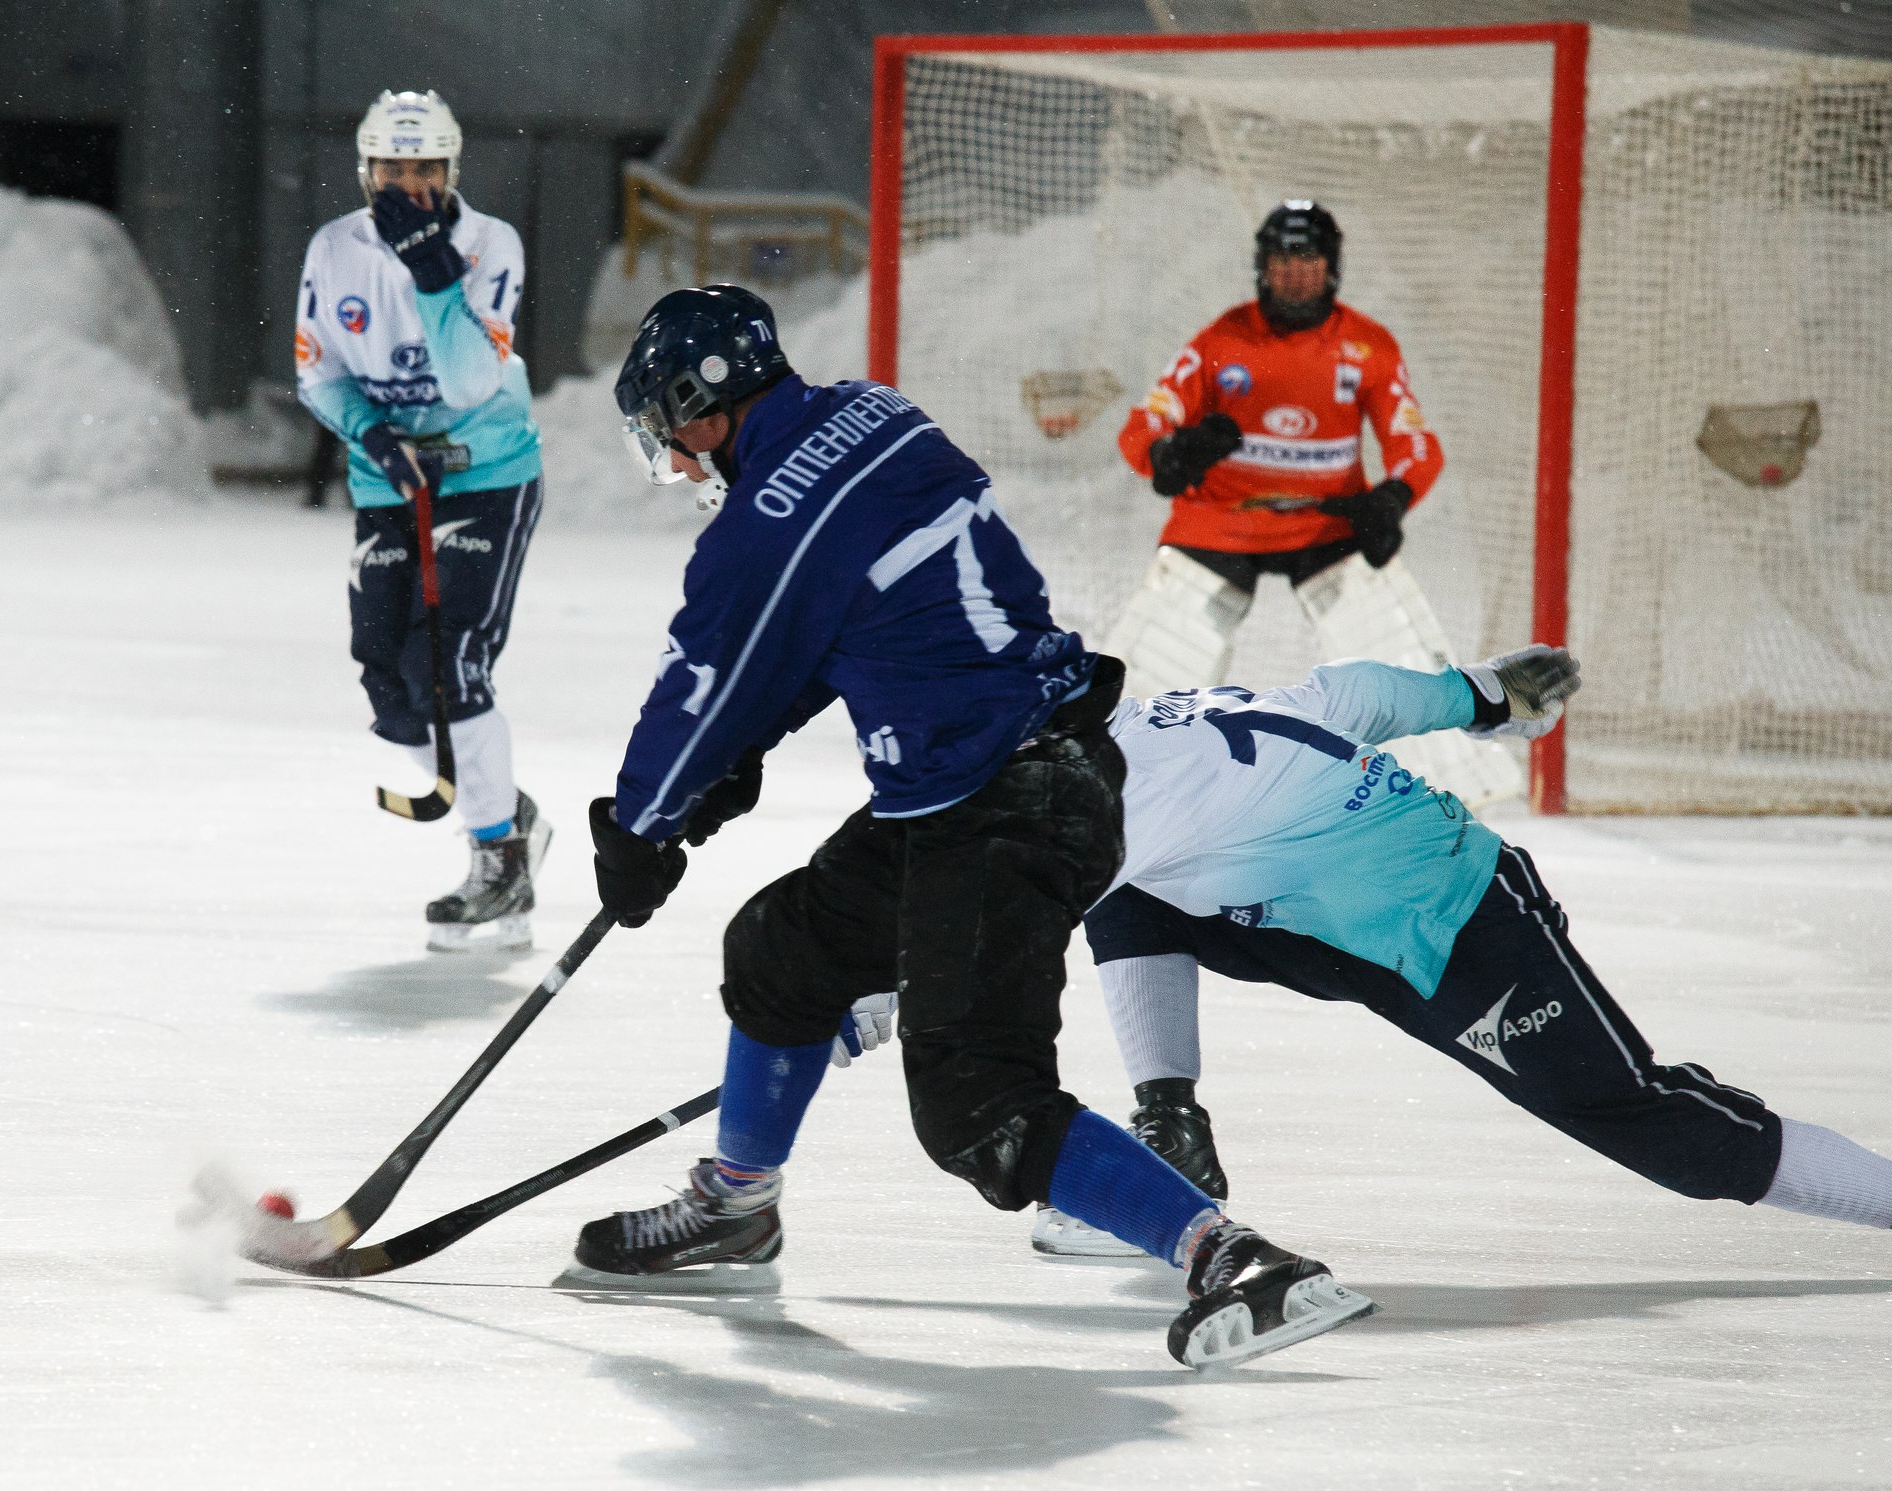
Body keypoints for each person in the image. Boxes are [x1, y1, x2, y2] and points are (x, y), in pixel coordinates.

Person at [567, 283, 1375, 1370]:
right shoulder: (871, 416)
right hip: (998, 779)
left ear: (701, 408)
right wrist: (734, 762)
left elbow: (705, 679)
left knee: (976, 1105)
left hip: (1006, 804)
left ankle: (1232, 1258)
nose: (682, 466)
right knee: (780, 951)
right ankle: (736, 1207)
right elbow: (861, 623)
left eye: (672, 441)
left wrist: (640, 822)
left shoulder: (766, 524)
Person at [1032, 647, 1892, 1254]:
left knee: (1657, 1126)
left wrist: (894, 981)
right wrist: (1482, 692)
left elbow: (995, 923)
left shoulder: (1118, 795)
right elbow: (1357, 693)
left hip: (1460, 929)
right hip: (1327, 929)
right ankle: (1173, 1131)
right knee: (1129, 888)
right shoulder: (1164, 719)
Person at [1103, 200, 1515, 804]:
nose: (1295, 274)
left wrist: (1393, 498)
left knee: (1385, 654)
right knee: (1163, 659)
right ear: (1260, 268)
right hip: (1221, 522)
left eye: (1309, 260)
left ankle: (1435, 792)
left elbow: (1415, 445)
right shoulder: (1221, 340)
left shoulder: (1367, 347)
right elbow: (1141, 428)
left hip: (1328, 525)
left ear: (1332, 267)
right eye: (1281, 260)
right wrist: (1171, 454)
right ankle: (1114, 787)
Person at [294, 90, 547, 952]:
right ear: (366, 170)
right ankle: (505, 810)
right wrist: (370, 434)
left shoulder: (489, 244)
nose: (408, 185)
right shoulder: (334, 249)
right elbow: (318, 372)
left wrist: (434, 271)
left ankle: (496, 859)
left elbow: (474, 379)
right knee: (389, 684)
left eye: (426, 169)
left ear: (452, 171)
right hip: (385, 480)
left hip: (486, 475)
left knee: (445, 663)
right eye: (392, 169)